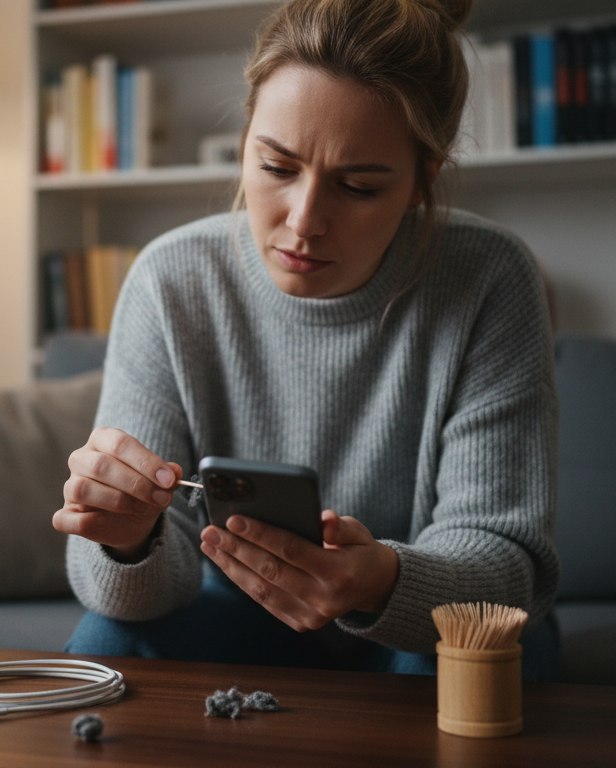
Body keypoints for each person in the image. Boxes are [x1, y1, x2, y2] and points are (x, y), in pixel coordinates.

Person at [51, 0, 560, 679]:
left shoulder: (488, 278)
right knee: (107, 643)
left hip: (423, 631)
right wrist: (126, 543)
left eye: (357, 186)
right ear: (244, 142)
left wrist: (379, 580)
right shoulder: (170, 281)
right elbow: (134, 598)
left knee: (462, 657)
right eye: (277, 166)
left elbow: (503, 558)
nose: (305, 220)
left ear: (421, 182)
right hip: (235, 617)